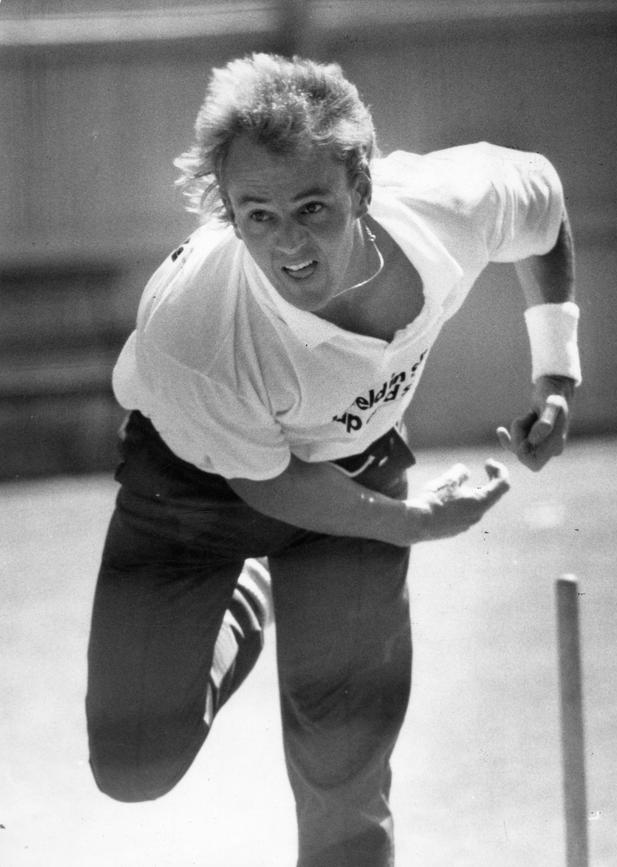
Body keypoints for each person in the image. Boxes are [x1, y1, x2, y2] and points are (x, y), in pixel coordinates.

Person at [85, 53, 581, 867]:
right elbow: (273, 483)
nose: (290, 244)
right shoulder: (195, 330)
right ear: (228, 212)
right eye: (258, 216)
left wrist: (556, 374)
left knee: (344, 776)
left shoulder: (449, 207)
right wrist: (416, 522)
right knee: (135, 765)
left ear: (362, 184)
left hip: (353, 460)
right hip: (189, 485)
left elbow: (546, 205)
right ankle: (251, 591)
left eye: (312, 206)